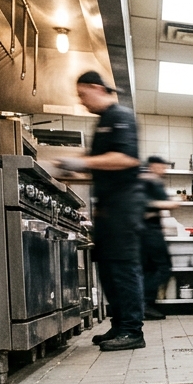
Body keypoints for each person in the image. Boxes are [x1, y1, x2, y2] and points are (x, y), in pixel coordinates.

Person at [56, 71, 146, 351]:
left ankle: (132, 330)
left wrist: (81, 164)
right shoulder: (104, 122)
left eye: (83, 95)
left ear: (97, 88)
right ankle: (119, 325)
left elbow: (126, 157)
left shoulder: (121, 116)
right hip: (107, 208)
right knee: (108, 269)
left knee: (122, 268)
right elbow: (99, 163)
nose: (82, 102)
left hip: (123, 207)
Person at [140, 156, 177, 320]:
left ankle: (144, 304)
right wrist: (170, 203)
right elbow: (149, 204)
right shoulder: (151, 180)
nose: (164, 170)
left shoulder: (143, 180)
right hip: (149, 231)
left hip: (144, 231)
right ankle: (146, 304)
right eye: (161, 167)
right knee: (163, 267)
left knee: (148, 269)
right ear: (153, 166)